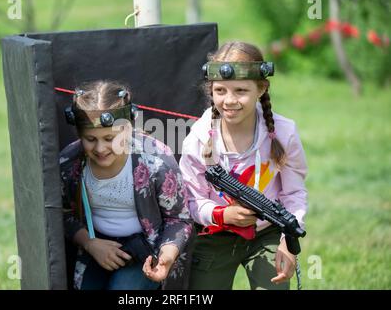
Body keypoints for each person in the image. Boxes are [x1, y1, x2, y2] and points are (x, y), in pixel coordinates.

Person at [179, 41, 308, 290]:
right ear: (211, 90)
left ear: (261, 88)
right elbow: (191, 200)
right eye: (220, 91)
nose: (229, 100)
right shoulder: (197, 139)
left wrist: (287, 243)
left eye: (240, 90)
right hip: (214, 235)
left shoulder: (284, 133)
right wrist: (222, 214)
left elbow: (293, 194)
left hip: (267, 233)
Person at [60, 80, 194, 290]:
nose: (101, 148)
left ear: (128, 128)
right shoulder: (70, 162)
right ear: (79, 134)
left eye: (110, 138)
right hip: (95, 244)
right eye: (90, 139)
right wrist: (89, 243)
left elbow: (178, 219)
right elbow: (62, 211)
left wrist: (166, 257)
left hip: (146, 248)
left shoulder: (156, 161)